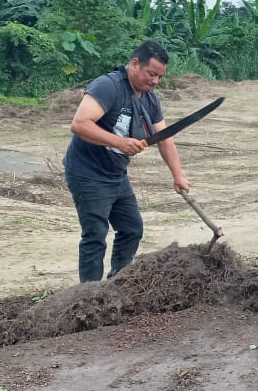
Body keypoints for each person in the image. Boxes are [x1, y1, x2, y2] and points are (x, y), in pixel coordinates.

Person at [64, 40, 189, 281]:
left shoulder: (150, 99)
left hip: (116, 175)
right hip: (87, 172)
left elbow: (164, 139)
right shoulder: (108, 86)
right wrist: (119, 142)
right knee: (95, 235)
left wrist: (178, 175)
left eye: (160, 77)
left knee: (132, 228)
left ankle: (117, 283)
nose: (155, 81)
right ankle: (88, 294)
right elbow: (79, 124)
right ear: (134, 64)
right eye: (151, 74)